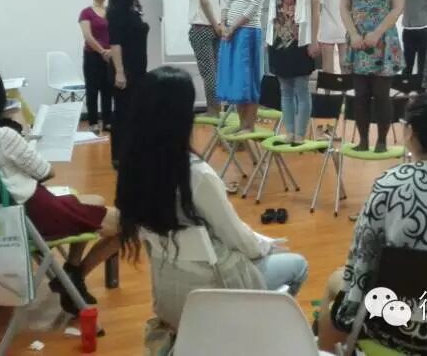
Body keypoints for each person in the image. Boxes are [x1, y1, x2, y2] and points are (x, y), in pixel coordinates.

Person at [116, 66, 308, 331]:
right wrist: (264, 247)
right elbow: (236, 237)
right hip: (215, 288)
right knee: (298, 265)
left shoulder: (133, 168)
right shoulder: (197, 175)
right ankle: (256, 333)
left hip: (169, 293)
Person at [317, 92, 427, 355]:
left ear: (410, 133)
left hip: (397, 324)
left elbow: (362, 260)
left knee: (335, 285)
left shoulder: (389, 186)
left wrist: (350, 309)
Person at [0, 64, 121, 315]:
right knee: (127, 224)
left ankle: (71, 271)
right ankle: (74, 277)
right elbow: (47, 172)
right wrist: (24, 145)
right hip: (35, 215)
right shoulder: (3, 136)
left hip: (1, 219)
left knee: (95, 200)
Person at [340, 0, 406, 152]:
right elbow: (344, 7)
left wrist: (377, 32)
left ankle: (381, 141)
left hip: (383, 41)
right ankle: (362, 140)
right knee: (360, 94)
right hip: (358, 42)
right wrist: (354, 34)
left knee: (381, 94)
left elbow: (397, 8)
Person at [218, 0, 275, 150]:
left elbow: (254, 6)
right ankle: (242, 125)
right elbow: (227, 0)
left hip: (247, 32)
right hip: (230, 33)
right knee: (235, 80)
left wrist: (233, 27)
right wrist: (223, 24)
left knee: (247, 80)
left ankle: (248, 126)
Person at [267, 0, 322, 145]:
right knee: (285, 89)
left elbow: (316, 9)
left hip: (301, 39)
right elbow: (274, 5)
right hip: (279, 37)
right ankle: (289, 131)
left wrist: (314, 40)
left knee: (301, 88)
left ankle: (300, 134)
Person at [107, 0, 150, 169]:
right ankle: (118, 156)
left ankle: (133, 152)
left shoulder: (133, 10)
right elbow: (115, 43)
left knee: (135, 112)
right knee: (123, 113)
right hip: (125, 70)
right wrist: (119, 71)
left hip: (138, 69)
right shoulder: (117, 11)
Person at [185, 0, 223, 118]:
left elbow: (204, 0)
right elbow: (221, 1)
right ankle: (218, 109)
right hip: (217, 26)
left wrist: (214, 24)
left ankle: (212, 111)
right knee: (216, 71)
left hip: (202, 26)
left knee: (208, 72)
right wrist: (219, 25)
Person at [78, 0, 112, 134]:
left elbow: (115, 33)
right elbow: (88, 36)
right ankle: (93, 123)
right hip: (93, 56)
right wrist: (102, 51)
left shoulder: (111, 12)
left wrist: (111, 52)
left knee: (107, 90)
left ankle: (107, 122)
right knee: (92, 90)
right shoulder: (86, 12)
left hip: (110, 56)